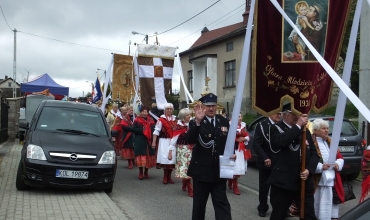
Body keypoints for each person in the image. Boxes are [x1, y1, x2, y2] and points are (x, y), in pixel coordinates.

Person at [268, 103, 319, 220]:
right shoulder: (275, 128)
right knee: (279, 215)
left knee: (308, 215)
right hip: (284, 181)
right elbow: (281, 142)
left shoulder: (305, 131)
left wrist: (309, 170)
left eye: (299, 114)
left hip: (303, 180)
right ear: (285, 114)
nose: (297, 116)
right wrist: (298, 126)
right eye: (293, 114)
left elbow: (314, 154)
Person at [186, 93, 232, 220]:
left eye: (213, 105)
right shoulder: (195, 122)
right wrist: (198, 122)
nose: (211, 109)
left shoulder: (223, 121)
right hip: (202, 172)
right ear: (203, 106)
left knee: (222, 204)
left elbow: (229, 141)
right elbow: (189, 139)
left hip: (219, 171)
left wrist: (231, 153)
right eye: (208, 106)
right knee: (199, 206)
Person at [312, 119, 344, 220]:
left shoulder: (330, 142)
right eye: (323, 128)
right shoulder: (311, 143)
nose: (326, 130)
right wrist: (321, 167)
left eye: (327, 128)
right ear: (315, 131)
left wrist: (337, 164)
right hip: (318, 181)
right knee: (318, 208)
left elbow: (340, 158)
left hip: (332, 180)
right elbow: (307, 161)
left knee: (332, 210)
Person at [253, 112, 281, 217]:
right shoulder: (262, 125)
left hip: (278, 162)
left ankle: (279, 208)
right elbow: (256, 143)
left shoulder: (281, 125)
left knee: (278, 187)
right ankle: (263, 207)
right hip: (266, 162)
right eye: (277, 113)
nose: (279, 115)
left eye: (280, 114)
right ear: (271, 113)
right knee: (264, 187)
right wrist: (264, 157)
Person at [123, 105, 156, 180]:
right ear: (140, 112)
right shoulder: (137, 120)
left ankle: (146, 172)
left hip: (148, 140)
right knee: (141, 156)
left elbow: (154, 130)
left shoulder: (151, 120)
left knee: (148, 156)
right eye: (143, 112)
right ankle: (141, 172)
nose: (144, 113)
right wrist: (143, 131)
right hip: (140, 140)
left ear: (148, 113)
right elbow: (133, 129)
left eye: (146, 112)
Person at [152, 103, 177, 184]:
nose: (169, 110)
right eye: (167, 109)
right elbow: (156, 131)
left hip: (173, 141)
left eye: (170, 109)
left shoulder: (175, 119)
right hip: (164, 141)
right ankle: (165, 176)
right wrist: (154, 142)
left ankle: (169, 177)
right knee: (166, 159)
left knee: (172, 159)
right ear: (164, 110)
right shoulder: (161, 120)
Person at [170, 108, 193, 197]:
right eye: (187, 115)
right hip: (182, 149)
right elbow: (174, 138)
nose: (189, 116)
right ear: (183, 117)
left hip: (192, 148)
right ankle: (190, 187)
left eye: (189, 114)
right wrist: (170, 151)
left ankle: (185, 182)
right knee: (185, 168)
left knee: (190, 167)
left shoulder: (192, 124)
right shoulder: (179, 126)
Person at [227, 113, 249, 195]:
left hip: (241, 149)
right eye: (238, 116)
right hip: (233, 149)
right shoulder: (230, 125)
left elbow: (247, 136)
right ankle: (234, 184)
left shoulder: (243, 126)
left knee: (238, 168)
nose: (240, 118)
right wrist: (236, 139)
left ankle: (232, 181)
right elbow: (228, 136)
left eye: (241, 116)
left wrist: (244, 138)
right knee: (234, 167)